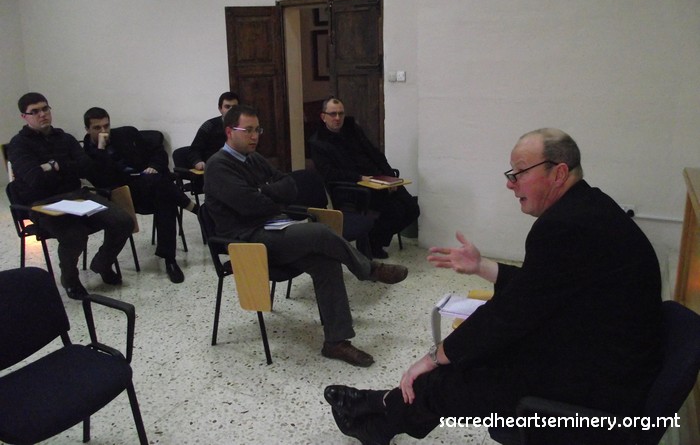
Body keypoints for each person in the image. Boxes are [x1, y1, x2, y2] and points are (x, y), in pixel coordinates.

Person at [323, 128, 662, 445]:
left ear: (559, 173)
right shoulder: (587, 208)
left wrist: (434, 356)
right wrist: (482, 266)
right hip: (604, 353)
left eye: (520, 172)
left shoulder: (564, 226)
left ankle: (381, 409)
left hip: (604, 384)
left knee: (469, 370)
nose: (510, 184)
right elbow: (539, 288)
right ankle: (383, 411)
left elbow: (511, 314)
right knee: (470, 358)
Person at [204, 104, 410, 367]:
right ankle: (368, 269)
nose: (255, 136)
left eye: (258, 130)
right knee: (320, 232)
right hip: (247, 241)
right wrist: (269, 195)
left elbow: (290, 186)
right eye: (248, 130)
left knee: (327, 263)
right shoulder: (218, 166)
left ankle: (336, 342)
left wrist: (264, 191)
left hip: (274, 228)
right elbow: (250, 205)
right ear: (230, 132)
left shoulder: (253, 158)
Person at [8, 93, 133, 300]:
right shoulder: (19, 144)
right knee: (74, 234)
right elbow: (35, 178)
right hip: (43, 204)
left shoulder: (65, 138)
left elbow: (86, 167)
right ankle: (70, 278)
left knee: (123, 221)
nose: (42, 114)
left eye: (45, 109)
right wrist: (65, 167)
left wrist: (53, 165)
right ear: (24, 116)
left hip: (77, 195)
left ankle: (101, 263)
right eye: (35, 111)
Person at [83, 107, 199, 284]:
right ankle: (196, 211)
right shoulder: (87, 154)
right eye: (97, 128)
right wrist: (101, 150)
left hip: (147, 187)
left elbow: (158, 152)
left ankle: (170, 260)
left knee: (163, 195)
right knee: (161, 187)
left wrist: (153, 166)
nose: (103, 131)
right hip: (120, 195)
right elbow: (101, 180)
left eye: (106, 126)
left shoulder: (126, 134)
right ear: (87, 129)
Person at [309, 97, 420, 259]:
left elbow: (374, 153)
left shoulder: (352, 128)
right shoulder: (318, 142)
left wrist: (390, 177)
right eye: (333, 114)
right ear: (323, 116)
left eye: (341, 113)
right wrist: (360, 177)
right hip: (353, 187)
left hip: (378, 179)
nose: (337, 118)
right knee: (394, 210)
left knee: (412, 208)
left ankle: (375, 237)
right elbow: (330, 174)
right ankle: (374, 243)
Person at [187, 91, 239, 170]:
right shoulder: (209, 125)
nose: (231, 110)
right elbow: (194, 150)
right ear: (220, 109)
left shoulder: (244, 126)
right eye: (227, 107)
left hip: (236, 168)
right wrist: (197, 162)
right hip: (213, 169)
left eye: (234, 107)